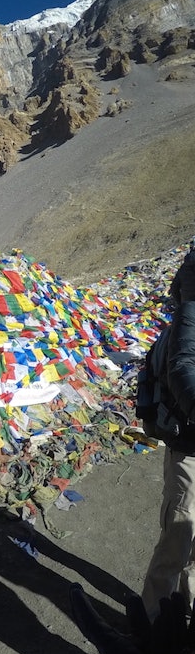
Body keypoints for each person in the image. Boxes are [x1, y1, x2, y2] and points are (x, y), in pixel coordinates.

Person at [141, 245, 195, 621]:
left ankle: (186, 615)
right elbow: (182, 366)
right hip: (190, 445)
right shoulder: (192, 308)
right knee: (179, 532)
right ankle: (153, 623)